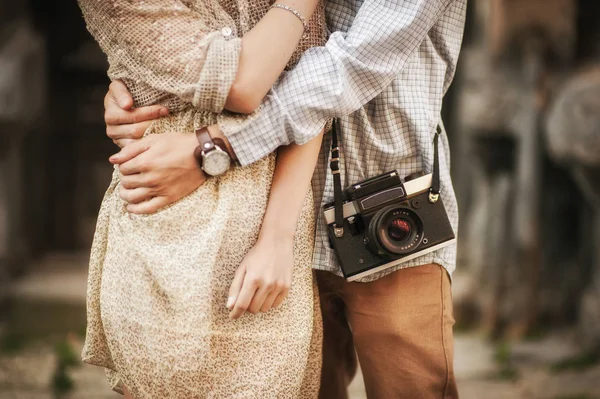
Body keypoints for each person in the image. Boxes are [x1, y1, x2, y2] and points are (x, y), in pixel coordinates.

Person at [104, 0, 468, 397]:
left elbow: (349, 67)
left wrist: (213, 148)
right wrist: (145, 86)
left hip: (388, 214)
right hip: (260, 215)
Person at [77, 0, 330, 397]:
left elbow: (314, 89)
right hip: (162, 235)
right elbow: (243, 83)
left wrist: (277, 237)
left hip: (270, 237)